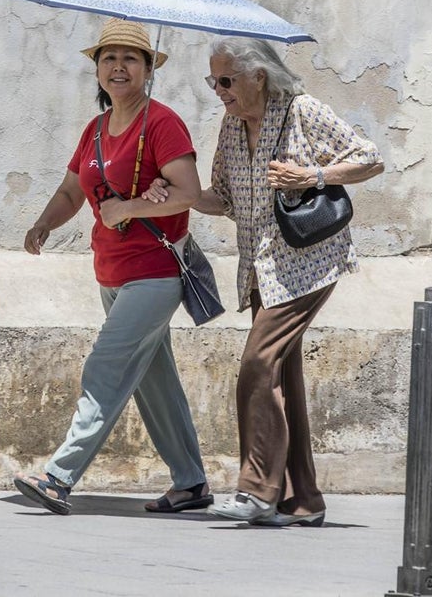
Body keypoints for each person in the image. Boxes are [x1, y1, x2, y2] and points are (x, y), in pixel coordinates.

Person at [144, 37, 383, 527]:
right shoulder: (231, 128)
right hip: (259, 268)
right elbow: (223, 198)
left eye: (226, 80)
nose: (219, 91)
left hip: (306, 262)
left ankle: (256, 491)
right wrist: (176, 193)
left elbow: (370, 158)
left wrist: (311, 176)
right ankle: (302, 501)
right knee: (281, 379)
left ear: (259, 76)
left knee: (256, 365)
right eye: (213, 81)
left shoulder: (302, 111)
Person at [13, 18, 213, 516]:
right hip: (111, 272)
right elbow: (71, 191)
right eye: (108, 58)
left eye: (130, 58)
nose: (117, 67)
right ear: (98, 69)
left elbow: (188, 193)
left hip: (155, 272)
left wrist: (129, 209)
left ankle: (58, 476)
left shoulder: (162, 123)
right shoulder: (96, 130)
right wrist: (44, 224)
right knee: (153, 380)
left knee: (105, 366)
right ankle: (190, 483)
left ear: (148, 69)